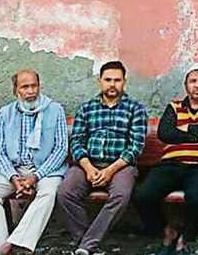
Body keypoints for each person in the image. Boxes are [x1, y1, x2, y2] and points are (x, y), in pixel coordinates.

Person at [135, 64, 198, 255]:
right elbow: (165, 133)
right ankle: (167, 231)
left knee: (197, 197)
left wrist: (185, 130)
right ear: (186, 86)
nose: (197, 86)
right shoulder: (174, 107)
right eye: (192, 81)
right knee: (142, 195)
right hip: (170, 164)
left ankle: (185, 237)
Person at [57, 61, 147, 255]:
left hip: (121, 166)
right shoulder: (86, 109)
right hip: (87, 164)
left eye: (117, 80)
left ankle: (85, 246)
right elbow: (77, 143)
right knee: (65, 192)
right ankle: (88, 244)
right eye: (108, 80)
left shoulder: (136, 109)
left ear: (124, 82)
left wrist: (109, 170)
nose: (112, 84)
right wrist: (89, 168)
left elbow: (136, 147)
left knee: (121, 196)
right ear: (99, 81)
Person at [0, 69, 68, 255]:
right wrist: (13, 178)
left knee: (48, 193)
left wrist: (35, 177)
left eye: (34, 86)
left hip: (45, 170)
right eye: (25, 87)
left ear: (39, 86)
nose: (30, 91)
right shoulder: (5, 113)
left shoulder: (55, 110)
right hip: (14, 169)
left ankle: (13, 243)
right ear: (15, 90)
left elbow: (61, 149)